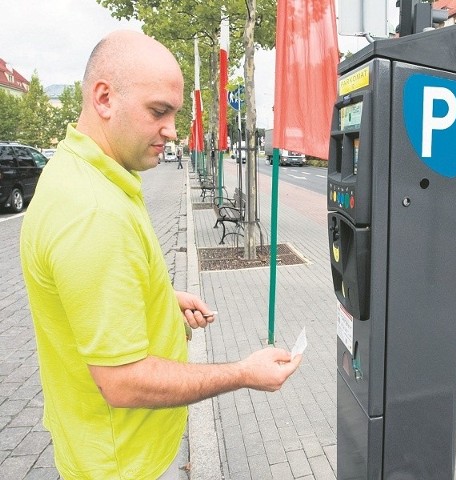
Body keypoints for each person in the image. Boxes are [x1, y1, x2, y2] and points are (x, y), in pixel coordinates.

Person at [20, 30, 301, 480]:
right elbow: (124, 380)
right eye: (159, 111)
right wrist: (244, 373)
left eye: (174, 113)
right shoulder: (94, 213)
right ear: (104, 98)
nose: (171, 130)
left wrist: (158, 297)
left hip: (101, 448)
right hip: (126, 464)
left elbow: (86, 293)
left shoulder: (81, 173)